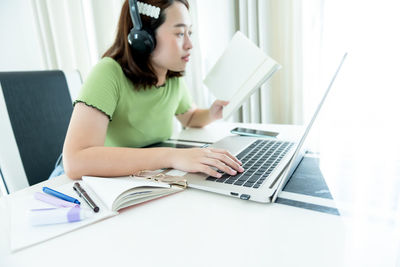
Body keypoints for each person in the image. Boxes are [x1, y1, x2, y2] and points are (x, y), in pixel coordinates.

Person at [62, 0, 244, 180]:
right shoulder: (109, 72)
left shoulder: (171, 77)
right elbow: (75, 162)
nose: (190, 44)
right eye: (180, 33)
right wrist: (172, 156)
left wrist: (211, 113)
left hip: (141, 178)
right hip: (84, 185)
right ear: (143, 37)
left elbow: (189, 116)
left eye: (190, 32)